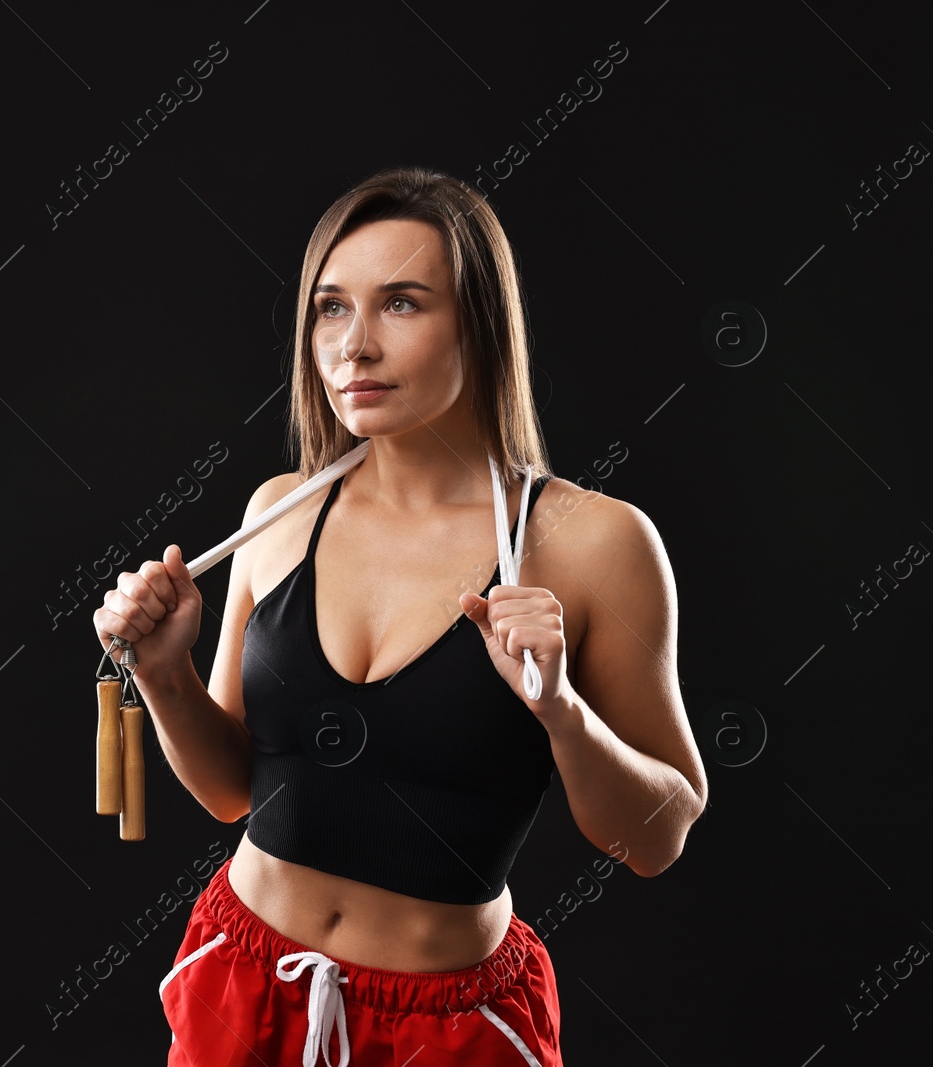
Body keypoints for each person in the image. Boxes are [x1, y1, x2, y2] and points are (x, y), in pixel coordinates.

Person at [91, 166, 708, 1066]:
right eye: (331, 308)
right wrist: (161, 671)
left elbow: (657, 838)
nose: (355, 346)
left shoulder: (591, 543)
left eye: (403, 304)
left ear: (482, 328)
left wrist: (560, 711)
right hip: (244, 984)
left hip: (447, 1029)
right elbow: (234, 790)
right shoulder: (281, 510)